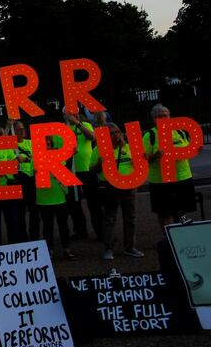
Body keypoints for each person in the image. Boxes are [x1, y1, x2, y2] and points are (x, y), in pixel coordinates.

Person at [91, 123, 144, 260]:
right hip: (110, 188)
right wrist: (99, 164)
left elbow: (141, 165)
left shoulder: (129, 147)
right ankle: (108, 248)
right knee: (109, 219)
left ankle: (130, 247)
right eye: (112, 133)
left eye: (117, 132)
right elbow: (91, 170)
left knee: (130, 218)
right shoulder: (99, 149)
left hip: (129, 187)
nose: (116, 135)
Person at [143, 103, 200, 229]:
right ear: (154, 119)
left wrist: (196, 150)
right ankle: (168, 239)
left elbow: (188, 150)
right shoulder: (149, 136)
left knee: (182, 210)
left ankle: (183, 238)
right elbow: (142, 160)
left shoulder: (180, 132)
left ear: (170, 116)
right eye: (159, 116)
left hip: (183, 178)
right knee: (164, 212)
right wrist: (155, 156)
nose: (163, 119)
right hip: (160, 181)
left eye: (165, 115)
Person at [35, 136, 75, 259]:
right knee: (47, 226)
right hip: (44, 197)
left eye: (49, 143)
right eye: (45, 143)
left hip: (60, 196)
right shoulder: (35, 158)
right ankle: (50, 250)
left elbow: (63, 168)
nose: (48, 145)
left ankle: (66, 248)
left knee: (63, 224)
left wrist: (71, 154)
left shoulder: (57, 156)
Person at [63, 108, 99, 240]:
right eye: (71, 113)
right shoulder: (62, 130)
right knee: (74, 205)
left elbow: (92, 136)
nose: (75, 115)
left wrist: (77, 123)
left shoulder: (85, 125)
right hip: (71, 172)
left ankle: (100, 231)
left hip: (88, 170)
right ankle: (80, 231)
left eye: (76, 112)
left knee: (94, 203)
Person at [12, 121, 39, 241]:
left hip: (32, 179)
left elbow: (37, 157)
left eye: (23, 129)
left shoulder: (31, 143)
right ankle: (23, 239)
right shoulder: (10, 146)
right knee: (20, 212)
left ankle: (35, 237)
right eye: (18, 130)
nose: (22, 131)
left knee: (34, 212)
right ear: (14, 132)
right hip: (19, 179)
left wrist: (27, 159)